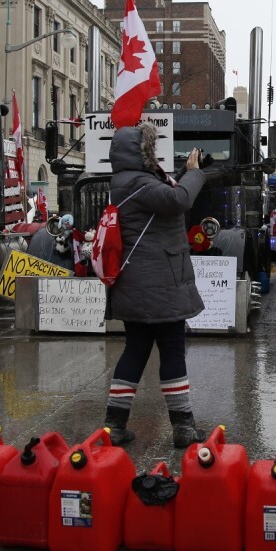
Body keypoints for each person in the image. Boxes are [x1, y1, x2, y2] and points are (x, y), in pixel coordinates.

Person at [103, 122, 208, 448]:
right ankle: (184, 427)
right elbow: (178, 200)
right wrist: (194, 173)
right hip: (159, 285)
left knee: (135, 350)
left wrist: (181, 170)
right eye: (150, 148)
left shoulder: (127, 181)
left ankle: (114, 425)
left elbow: (163, 194)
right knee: (173, 350)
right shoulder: (137, 183)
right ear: (141, 151)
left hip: (138, 285)